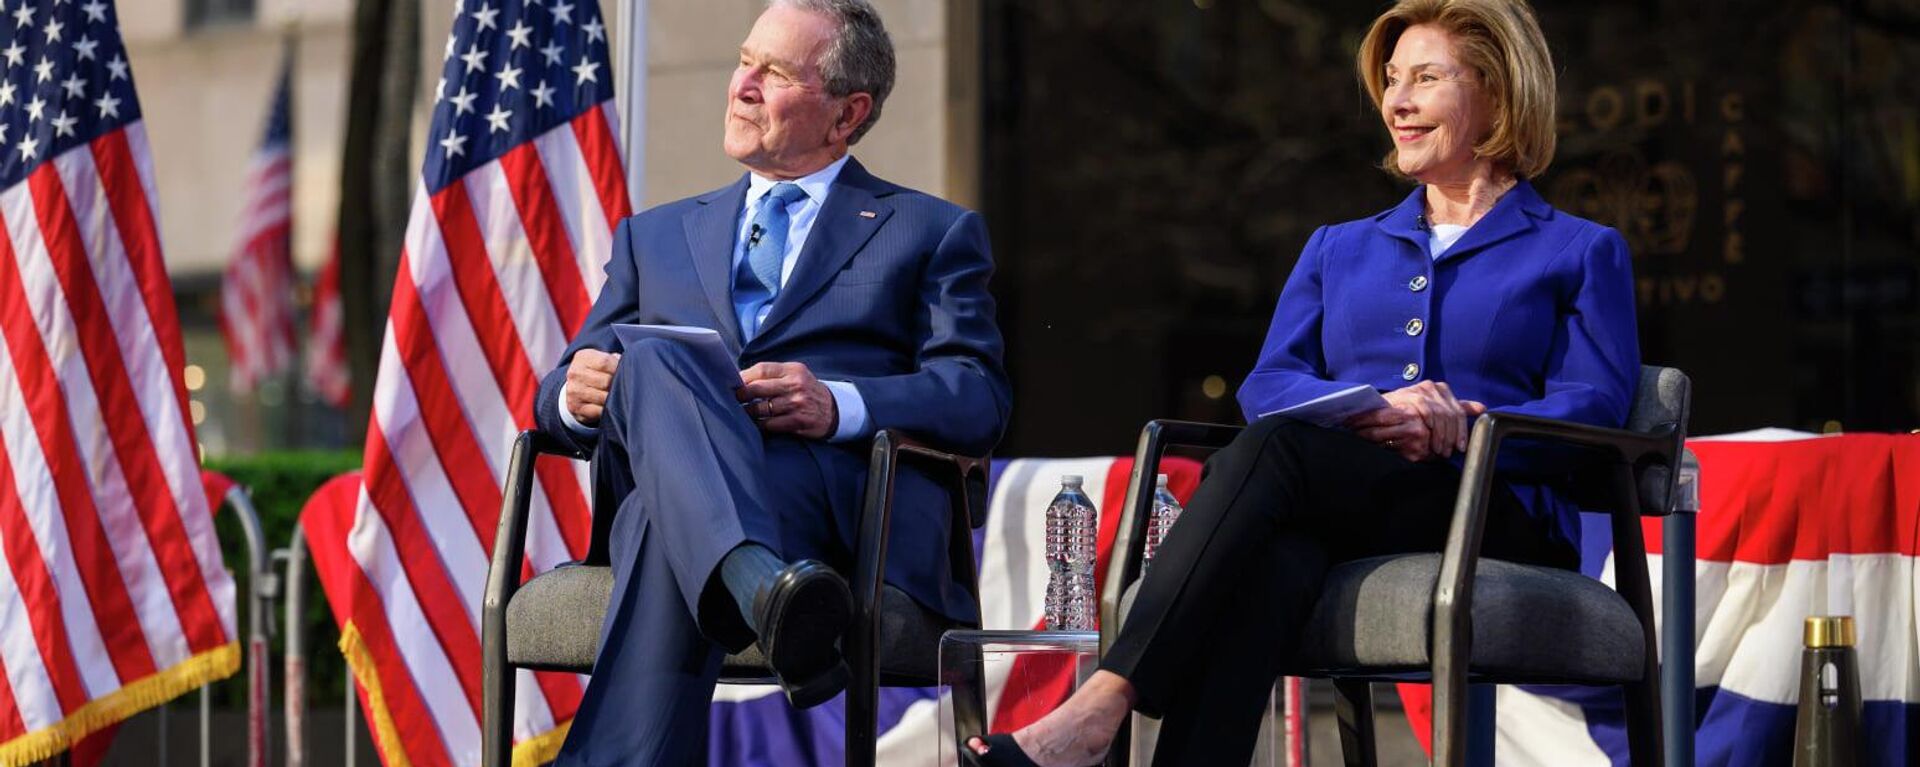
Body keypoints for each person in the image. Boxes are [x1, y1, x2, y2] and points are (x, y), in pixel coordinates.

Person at [965, 0, 1639, 764]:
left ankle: (1104, 699)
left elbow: (1598, 404)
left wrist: (1470, 421)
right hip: (1351, 499)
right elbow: (1269, 382)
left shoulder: (1580, 250)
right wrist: (1379, 409)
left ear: (1498, 92)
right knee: (1276, 565)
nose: (1398, 103)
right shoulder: (1340, 247)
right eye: (1391, 81)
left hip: (1495, 511)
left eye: (1425, 78)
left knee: (1280, 453)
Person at [534, 0, 1011, 763]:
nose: (743, 85)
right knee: (652, 359)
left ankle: (746, 582)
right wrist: (571, 393)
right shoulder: (652, 237)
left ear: (847, 113)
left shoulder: (929, 231)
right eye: (744, 59)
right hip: (695, 496)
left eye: (776, 72)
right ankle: (760, 584)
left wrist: (839, 405)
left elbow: (977, 396)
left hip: (828, 505)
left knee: (668, 516)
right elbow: (555, 400)